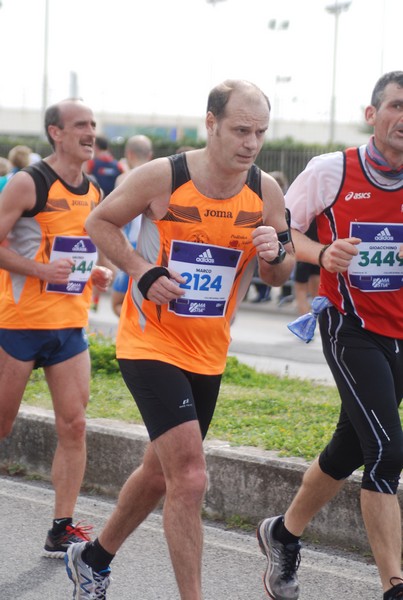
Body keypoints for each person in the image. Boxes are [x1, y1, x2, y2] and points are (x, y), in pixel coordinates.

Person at [64, 79, 295, 600]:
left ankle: (93, 557)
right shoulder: (164, 177)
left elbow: (280, 275)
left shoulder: (266, 191)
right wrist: (142, 271)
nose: (251, 143)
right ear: (210, 123)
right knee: (190, 477)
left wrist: (274, 252)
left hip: (209, 349)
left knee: (159, 472)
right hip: (150, 342)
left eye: (260, 132)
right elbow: (98, 221)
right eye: (240, 130)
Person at [257, 71, 403, 600]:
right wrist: (322, 253)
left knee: (350, 446)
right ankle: (394, 585)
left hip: (400, 332)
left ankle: (283, 532)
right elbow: (280, 230)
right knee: (387, 450)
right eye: (396, 106)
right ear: (372, 114)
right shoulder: (330, 170)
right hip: (350, 327)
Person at [0, 98, 113, 559]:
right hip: (19, 324)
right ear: (56, 133)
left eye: (92, 125)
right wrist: (41, 271)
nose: (89, 132)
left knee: (75, 424)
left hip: (69, 325)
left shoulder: (94, 192)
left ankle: (60, 528)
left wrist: (98, 273)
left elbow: (85, 251)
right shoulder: (29, 183)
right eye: (79, 125)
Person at [111, 135, 154, 316]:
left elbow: (113, 219)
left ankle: (136, 331)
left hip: (132, 247)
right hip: (154, 248)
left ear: (128, 153)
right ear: (150, 154)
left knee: (118, 304)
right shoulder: (161, 177)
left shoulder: (124, 179)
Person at [293, 219, 320, 315]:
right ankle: (320, 320)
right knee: (317, 294)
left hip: (304, 254)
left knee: (301, 291)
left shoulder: (304, 213)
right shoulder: (320, 211)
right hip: (319, 252)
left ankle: (305, 324)